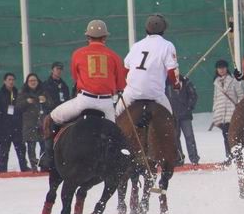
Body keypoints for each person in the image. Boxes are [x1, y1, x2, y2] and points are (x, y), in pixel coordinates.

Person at [40, 19, 127, 170]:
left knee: (50, 119)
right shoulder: (114, 56)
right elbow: (121, 84)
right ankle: (121, 164)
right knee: (117, 137)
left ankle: (49, 158)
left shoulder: (78, 54)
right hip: (106, 104)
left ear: (88, 37)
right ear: (105, 37)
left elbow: (76, 77)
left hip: (83, 101)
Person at [119, 13, 182, 116]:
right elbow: (172, 71)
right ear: (163, 29)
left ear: (146, 29)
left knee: (117, 116)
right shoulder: (167, 45)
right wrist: (177, 85)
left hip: (131, 93)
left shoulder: (136, 46)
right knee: (170, 117)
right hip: (155, 94)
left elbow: (125, 71)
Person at [0, 72, 28, 173]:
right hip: (4, 128)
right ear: (4, 81)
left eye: (13, 80)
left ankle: (24, 168)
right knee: (4, 151)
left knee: (21, 150)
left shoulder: (18, 94)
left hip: (17, 127)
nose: (11, 82)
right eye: (9, 80)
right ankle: (3, 171)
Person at [17, 73, 52, 171]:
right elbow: (18, 107)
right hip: (29, 124)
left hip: (42, 123)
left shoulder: (44, 92)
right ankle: (33, 167)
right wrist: (26, 102)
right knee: (31, 146)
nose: (33, 82)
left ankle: (44, 166)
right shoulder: (23, 93)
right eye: (31, 81)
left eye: (34, 80)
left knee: (44, 145)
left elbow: (51, 104)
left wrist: (45, 100)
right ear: (27, 82)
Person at [212, 59, 243, 163]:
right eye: (219, 68)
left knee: (233, 136)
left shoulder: (233, 81)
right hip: (221, 114)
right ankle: (229, 156)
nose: (221, 70)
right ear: (217, 69)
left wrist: (239, 109)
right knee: (226, 137)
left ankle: (236, 156)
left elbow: (240, 95)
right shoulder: (216, 83)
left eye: (223, 68)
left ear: (226, 68)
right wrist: (215, 111)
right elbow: (216, 98)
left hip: (232, 113)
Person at [166, 74, 199, 165]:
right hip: (172, 116)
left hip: (185, 115)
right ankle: (178, 158)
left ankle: (194, 158)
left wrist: (189, 107)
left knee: (189, 137)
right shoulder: (165, 83)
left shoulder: (185, 81)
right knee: (175, 138)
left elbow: (193, 95)